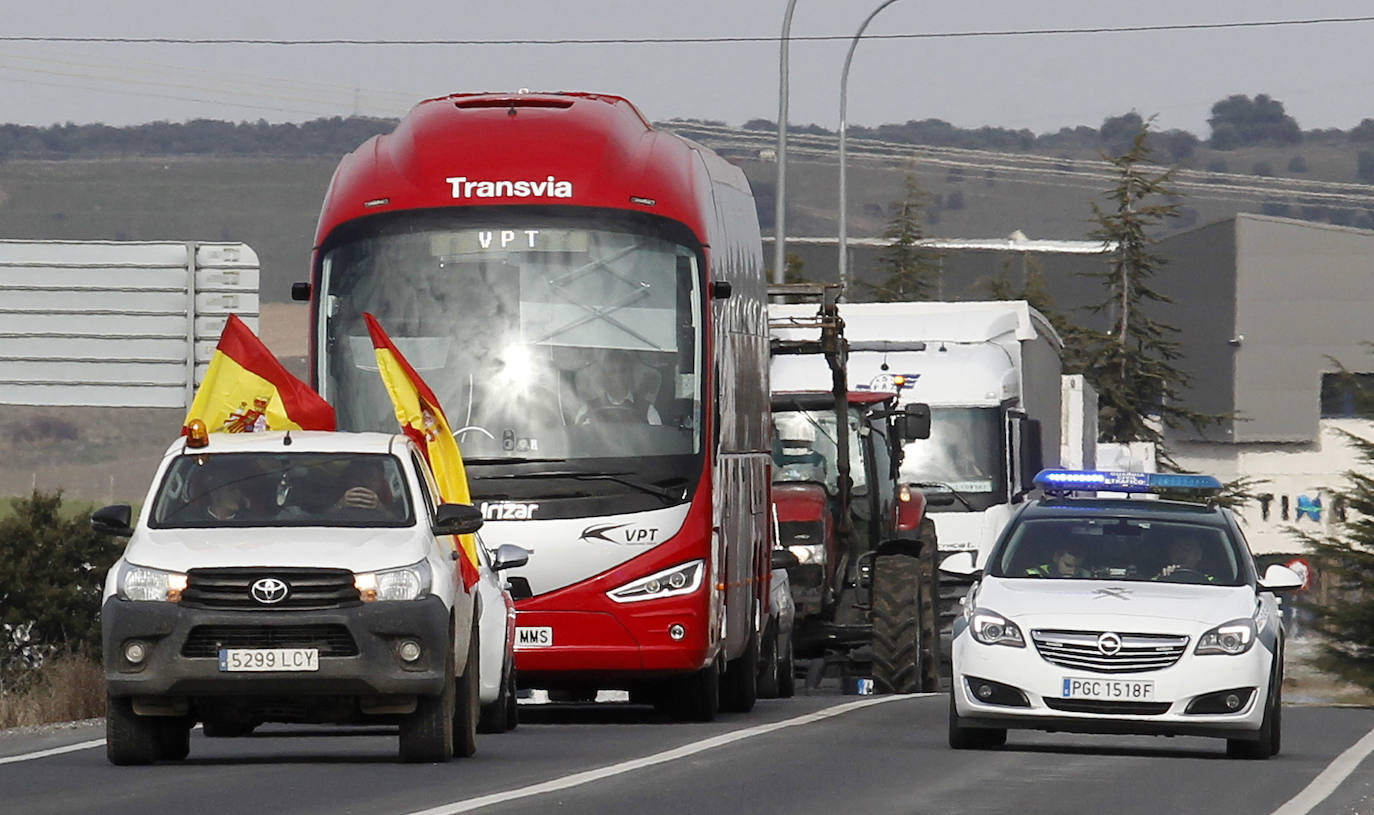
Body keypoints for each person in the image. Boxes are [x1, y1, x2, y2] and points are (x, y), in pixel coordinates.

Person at [577, 349, 661, 425]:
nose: (618, 376)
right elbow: (579, 438)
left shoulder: (648, 411)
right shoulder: (588, 410)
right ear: (605, 376)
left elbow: (657, 439)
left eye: (623, 370)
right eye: (612, 372)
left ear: (630, 373)